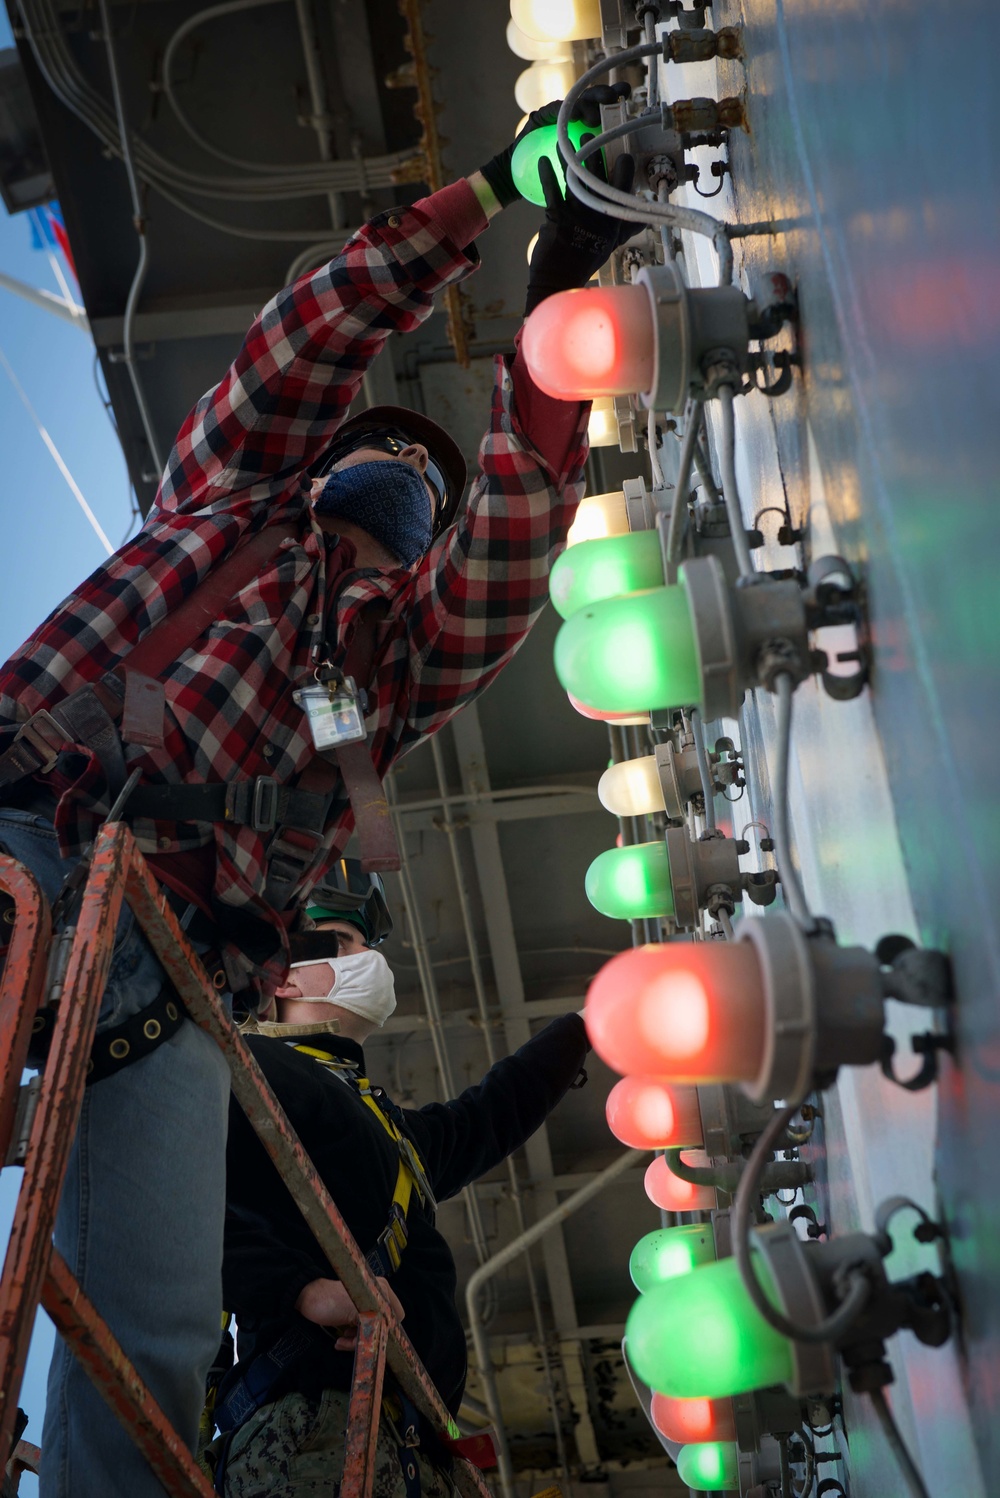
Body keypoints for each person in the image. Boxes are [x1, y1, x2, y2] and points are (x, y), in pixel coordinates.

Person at [0, 85, 633, 1497]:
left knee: (147, 1336)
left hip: (173, 973)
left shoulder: (390, 668)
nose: (413, 465)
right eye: (392, 446)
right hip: (24, 825)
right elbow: (314, 333)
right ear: (330, 457)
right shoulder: (227, 494)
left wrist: (558, 297)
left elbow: (518, 531)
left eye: (430, 469)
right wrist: (488, 194)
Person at [212, 868, 590, 1496]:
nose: (369, 961)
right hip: (312, 1425)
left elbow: (490, 1115)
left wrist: (585, 1028)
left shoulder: (382, 1123)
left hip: (407, 1443)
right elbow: (183, 1212)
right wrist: (300, 1290)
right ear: (280, 976)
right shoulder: (249, 1066)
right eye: (342, 942)